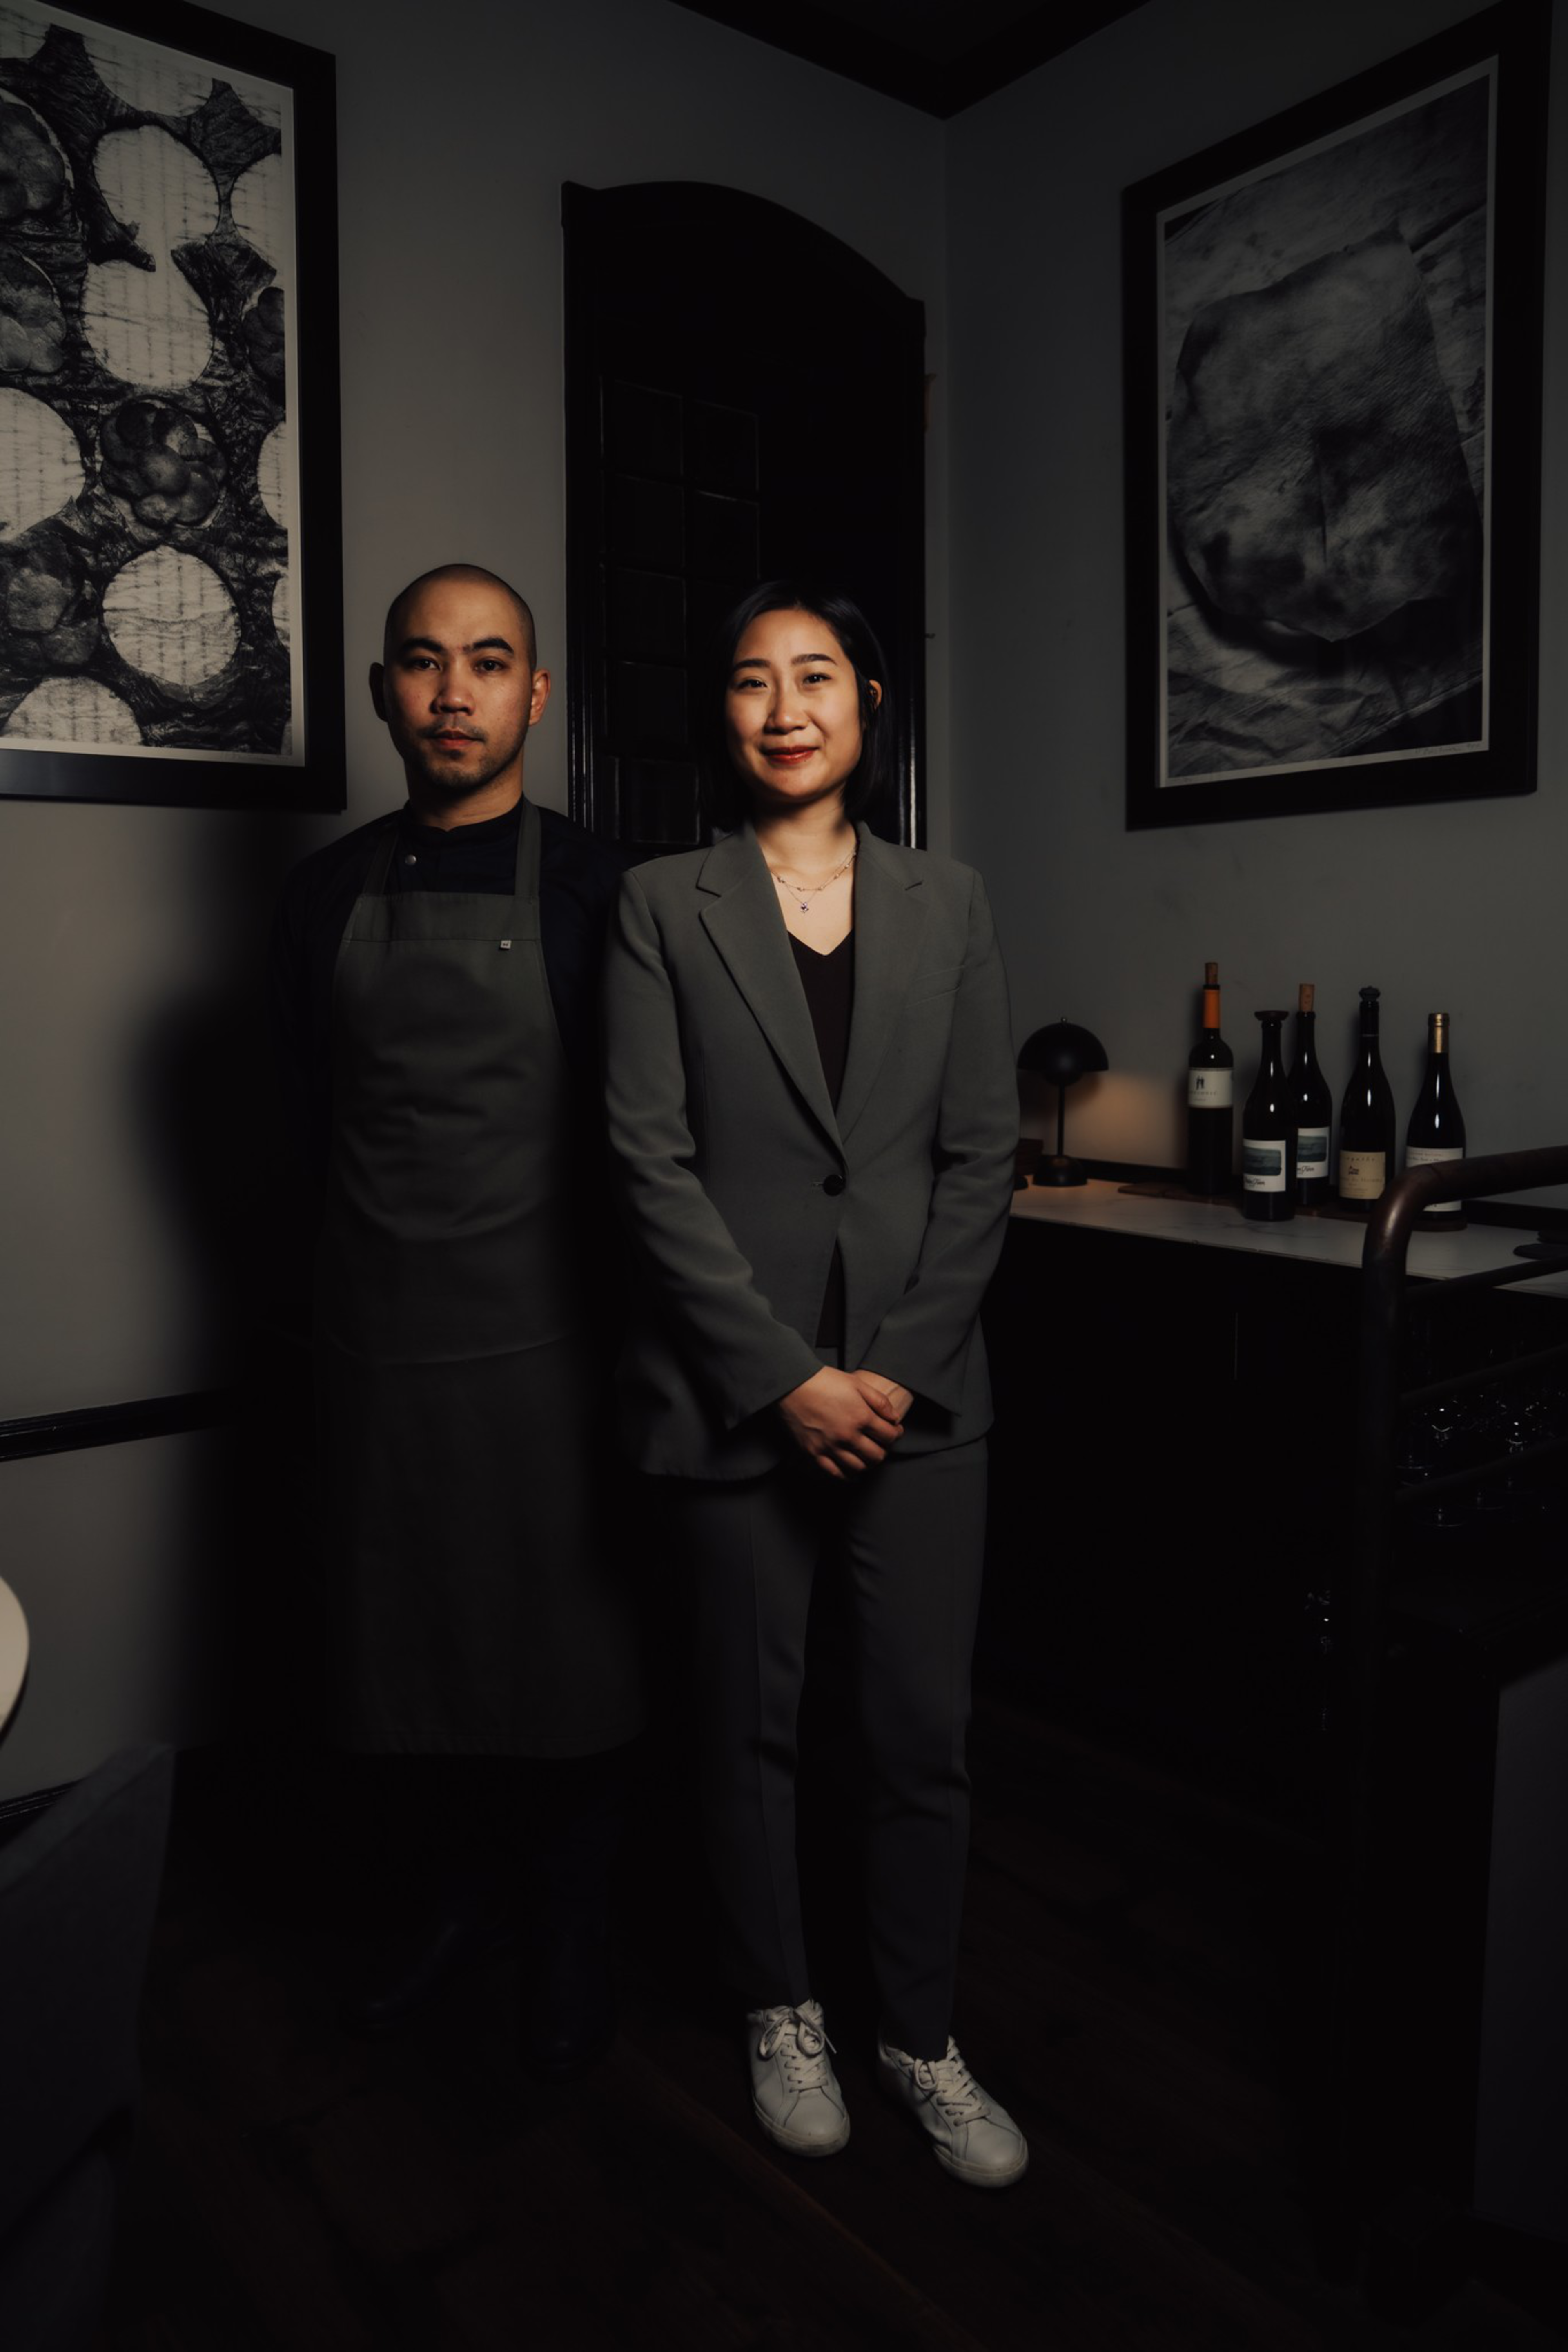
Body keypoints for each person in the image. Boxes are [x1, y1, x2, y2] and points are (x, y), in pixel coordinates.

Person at [601, 581, 1027, 2186]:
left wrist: (895, 1373)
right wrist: (782, 1377)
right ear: (724, 715)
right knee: (748, 1730)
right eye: (751, 681)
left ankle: (920, 2033)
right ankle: (785, 2008)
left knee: (919, 1728)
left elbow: (982, 1155)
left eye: (816, 676)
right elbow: (644, 1162)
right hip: (734, 1392)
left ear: (867, 704)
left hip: (924, 1402)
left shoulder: (954, 899)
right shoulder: (662, 902)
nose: (785, 706)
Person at [268, 564, 642, 2075]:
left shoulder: (603, 895)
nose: (452, 692)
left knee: (561, 1660)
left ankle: (571, 1942)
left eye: (488, 663)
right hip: (375, 1342)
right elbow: (299, 1129)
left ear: (534, 696)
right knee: (403, 1651)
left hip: (550, 1351)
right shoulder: (318, 900)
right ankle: (452, 1909)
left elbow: (645, 1151)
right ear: (381, 694)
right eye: (422, 665)